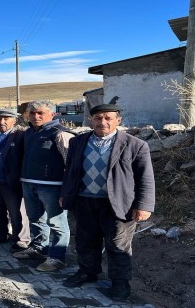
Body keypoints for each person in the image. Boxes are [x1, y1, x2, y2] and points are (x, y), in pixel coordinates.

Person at [60, 104, 155, 301]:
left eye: (108, 118)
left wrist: (144, 205)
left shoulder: (135, 145)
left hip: (119, 204)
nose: (102, 122)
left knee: (117, 245)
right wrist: (65, 193)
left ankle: (120, 283)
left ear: (118, 121)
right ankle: (88, 272)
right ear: (91, 120)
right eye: (97, 118)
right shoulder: (78, 142)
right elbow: (70, 171)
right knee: (85, 241)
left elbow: (145, 177)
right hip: (84, 200)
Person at [13, 99, 74, 272]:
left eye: (40, 113)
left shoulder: (60, 133)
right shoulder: (28, 133)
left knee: (56, 222)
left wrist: (67, 190)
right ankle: (39, 248)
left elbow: (70, 164)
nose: (36, 116)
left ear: (52, 114)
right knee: (36, 219)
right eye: (32, 113)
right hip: (29, 183)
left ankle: (57, 257)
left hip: (53, 186)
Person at [0, 109, 30, 250]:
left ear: (14, 120)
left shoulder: (21, 136)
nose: (1, 122)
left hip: (12, 183)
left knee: (17, 214)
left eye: (6, 119)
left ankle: (21, 240)